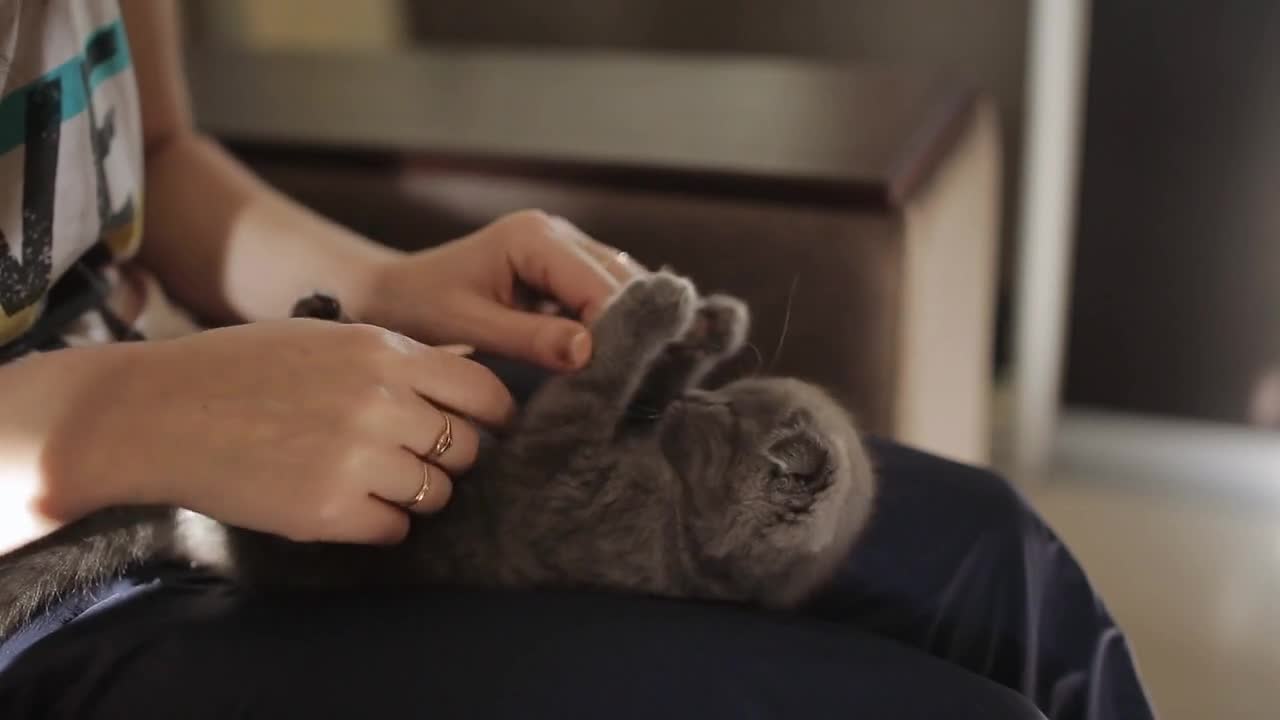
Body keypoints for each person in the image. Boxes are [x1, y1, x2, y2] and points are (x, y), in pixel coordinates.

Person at [0, 2, 1155, 719]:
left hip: (182, 401)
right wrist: (106, 417)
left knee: (991, 556)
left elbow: (152, 155)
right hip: (42, 585)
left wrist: (380, 287)